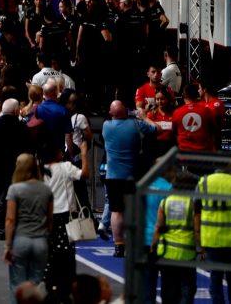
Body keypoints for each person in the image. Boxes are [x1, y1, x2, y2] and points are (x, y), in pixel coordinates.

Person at [102, 100, 157, 257]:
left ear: (112, 113)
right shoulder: (136, 125)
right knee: (136, 210)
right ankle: (136, 243)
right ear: (125, 112)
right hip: (132, 176)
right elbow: (155, 129)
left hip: (113, 176)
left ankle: (119, 245)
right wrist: (144, 116)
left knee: (116, 211)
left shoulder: (106, 126)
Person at [43, 139, 90, 301]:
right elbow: (84, 174)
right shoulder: (65, 167)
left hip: (48, 215)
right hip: (66, 215)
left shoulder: (41, 170)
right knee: (67, 252)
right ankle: (66, 285)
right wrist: (83, 154)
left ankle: (50, 284)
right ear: (56, 153)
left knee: (50, 250)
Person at [4, 153, 54, 303]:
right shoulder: (46, 189)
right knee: (37, 285)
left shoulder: (15, 189)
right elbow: (50, 218)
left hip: (21, 239)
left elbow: (10, 219)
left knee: (16, 285)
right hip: (41, 241)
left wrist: (7, 246)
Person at [195, 165, 231, 304]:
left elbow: (196, 209)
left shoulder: (203, 182)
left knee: (215, 279)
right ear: (229, 165)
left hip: (212, 239)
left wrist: (199, 237)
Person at [0, 98, 34, 240]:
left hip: (0, 167)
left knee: (0, 199)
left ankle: (1, 230)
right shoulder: (21, 127)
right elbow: (30, 148)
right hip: (19, 169)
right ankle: (16, 229)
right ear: (15, 111)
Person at [150, 173, 199, 304]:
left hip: (167, 251)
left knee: (168, 285)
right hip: (186, 252)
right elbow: (196, 229)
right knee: (188, 286)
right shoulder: (192, 204)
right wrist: (203, 248)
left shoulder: (165, 202)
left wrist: (153, 245)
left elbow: (158, 227)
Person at [172, 82, 218, 152]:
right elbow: (214, 131)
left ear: (183, 95)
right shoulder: (206, 111)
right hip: (203, 154)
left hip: (184, 154)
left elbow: (175, 133)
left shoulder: (176, 112)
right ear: (197, 95)